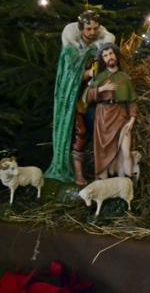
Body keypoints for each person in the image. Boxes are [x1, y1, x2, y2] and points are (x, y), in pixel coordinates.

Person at [46, 10, 115, 185]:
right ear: (81, 28)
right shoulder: (71, 49)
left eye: (95, 28)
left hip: (94, 96)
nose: (92, 32)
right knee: (81, 132)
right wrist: (87, 73)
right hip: (74, 99)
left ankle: (101, 171)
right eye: (88, 29)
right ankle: (77, 173)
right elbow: (69, 75)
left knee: (101, 129)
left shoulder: (101, 47)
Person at [85, 43, 137, 180]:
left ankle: (128, 183)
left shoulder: (125, 77)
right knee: (103, 152)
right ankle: (105, 183)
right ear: (103, 59)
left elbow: (132, 100)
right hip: (103, 117)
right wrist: (102, 89)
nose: (109, 57)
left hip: (121, 116)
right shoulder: (100, 77)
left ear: (116, 55)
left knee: (125, 151)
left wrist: (132, 120)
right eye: (105, 55)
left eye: (111, 53)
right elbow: (87, 96)